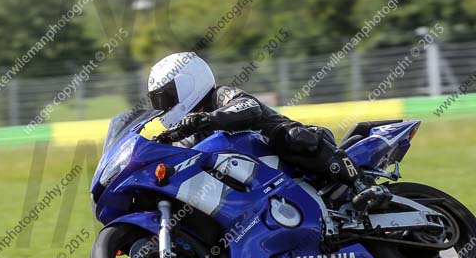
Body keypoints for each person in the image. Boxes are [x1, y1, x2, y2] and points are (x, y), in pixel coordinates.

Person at [146, 52, 391, 211]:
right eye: (158, 101)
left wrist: (206, 119)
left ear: (189, 82)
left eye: (166, 97)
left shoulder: (219, 96)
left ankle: (360, 183)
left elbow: (249, 107)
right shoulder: (185, 135)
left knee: (290, 137)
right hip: (258, 185)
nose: (163, 106)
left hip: (292, 145)